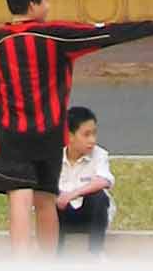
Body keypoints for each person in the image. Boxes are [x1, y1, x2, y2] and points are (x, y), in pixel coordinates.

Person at [0, 0, 153, 253]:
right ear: (33, 5)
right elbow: (104, 34)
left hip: (10, 134)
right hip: (50, 134)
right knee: (45, 200)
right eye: (47, 1)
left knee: (19, 199)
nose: (49, 7)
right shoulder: (56, 36)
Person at [54, 107, 114, 252]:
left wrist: (72, 195)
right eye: (86, 135)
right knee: (49, 201)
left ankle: (95, 254)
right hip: (62, 216)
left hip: (90, 216)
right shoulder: (53, 157)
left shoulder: (99, 155)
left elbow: (104, 180)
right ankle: (54, 257)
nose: (92, 140)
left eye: (94, 134)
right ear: (70, 136)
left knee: (99, 197)